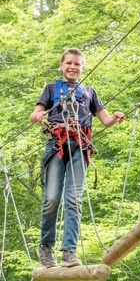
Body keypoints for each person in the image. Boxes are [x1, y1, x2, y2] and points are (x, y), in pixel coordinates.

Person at [29, 48, 125, 268]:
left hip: (81, 147)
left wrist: (115, 117)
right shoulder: (51, 89)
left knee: (73, 199)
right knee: (52, 199)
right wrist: (38, 116)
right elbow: (34, 114)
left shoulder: (89, 92)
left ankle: (69, 251)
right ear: (61, 66)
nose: (72, 67)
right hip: (56, 145)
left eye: (77, 64)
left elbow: (105, 120)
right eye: (69, 63)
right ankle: (46, 247)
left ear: (83, 68)